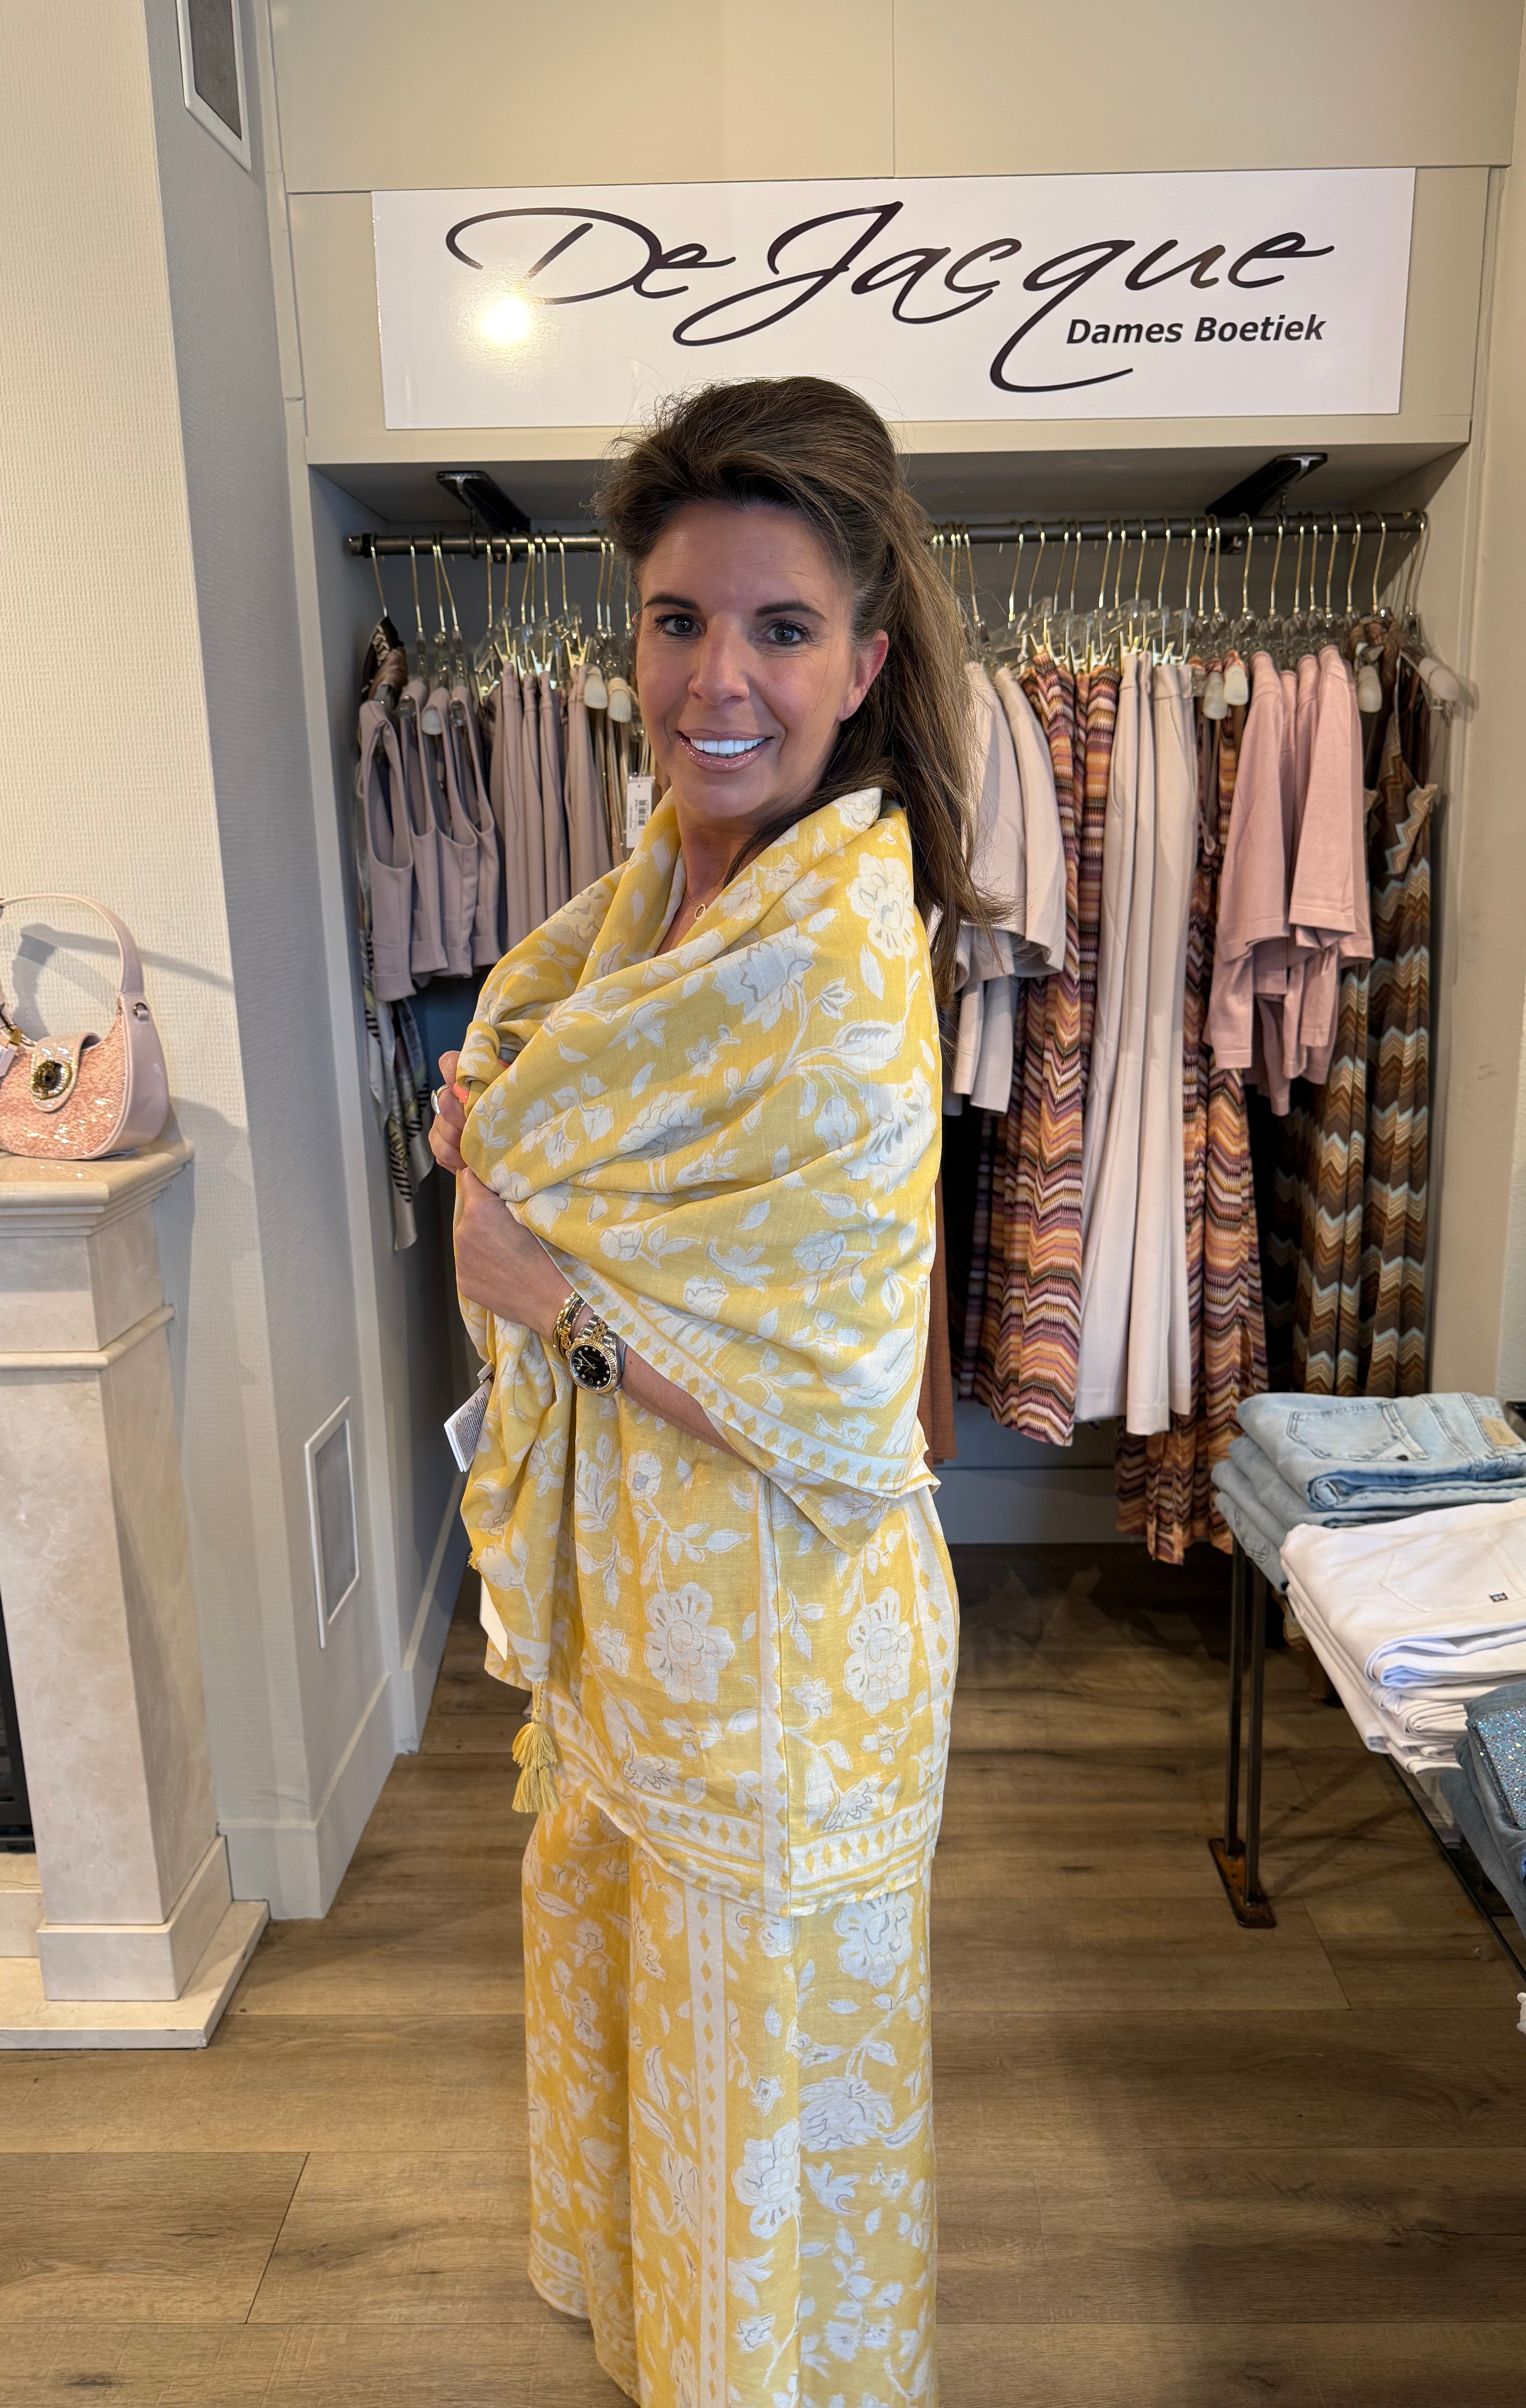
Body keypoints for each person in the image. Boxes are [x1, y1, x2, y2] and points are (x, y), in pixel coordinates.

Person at [427, 376, 989, 2408]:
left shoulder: (829, 968)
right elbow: (536, 1089)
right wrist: (498, 1127)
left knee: (761, 2102)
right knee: (661, 2036)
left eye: (779, 628)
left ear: (865, 660)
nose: (716, 679)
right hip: (649, 1623)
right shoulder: (664, 882)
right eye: (678, 619)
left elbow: (846, 1400)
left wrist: (546, 1282)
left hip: (782, 1649)